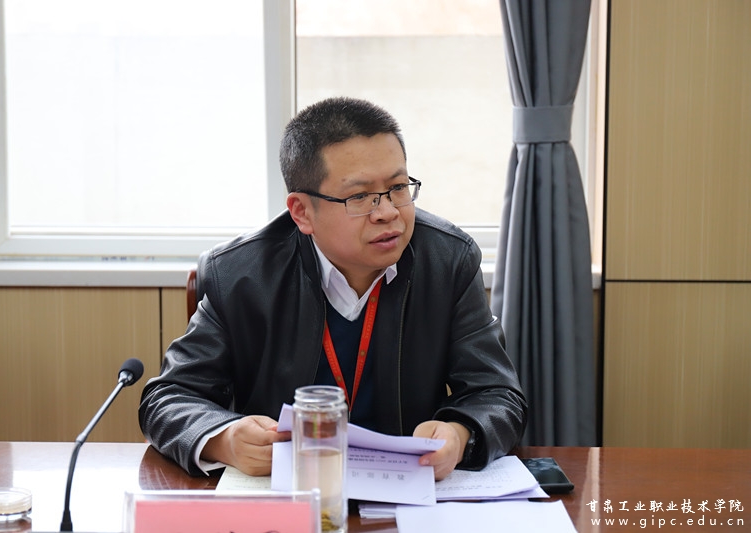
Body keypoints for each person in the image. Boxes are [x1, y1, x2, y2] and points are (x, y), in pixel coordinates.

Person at [139, 97, 527, 481]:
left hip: (410, 490)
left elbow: (498, 395)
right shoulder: (239, 274)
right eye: (359, 196)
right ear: (302, 212)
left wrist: (460, 433)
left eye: (397, 187)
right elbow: (168, 398)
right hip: (288, 493)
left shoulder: (448, 260)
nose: (387, 212)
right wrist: (224, 439)